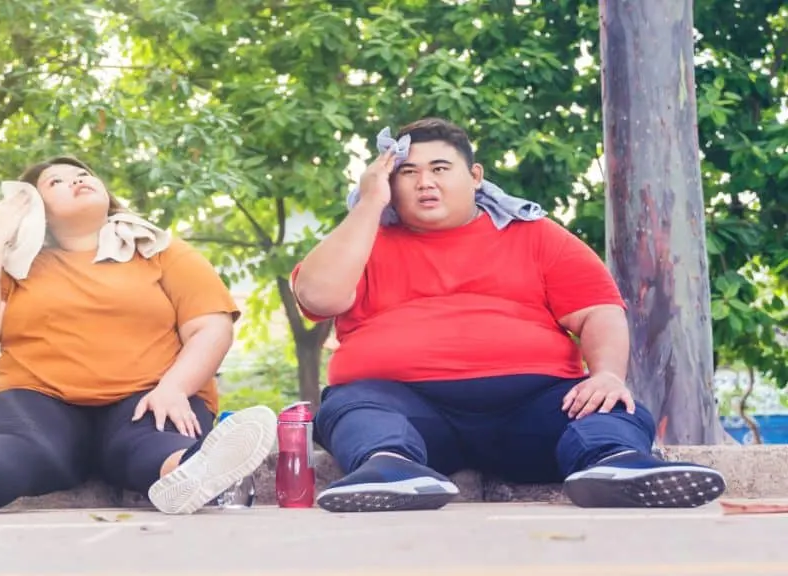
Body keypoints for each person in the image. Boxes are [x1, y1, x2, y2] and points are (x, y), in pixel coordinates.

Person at [291, 118, 727, 513]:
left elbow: (599, 311)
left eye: (440, 169)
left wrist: (608, 374)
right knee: (350, 406)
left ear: (475, 177)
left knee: (609, 404)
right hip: (406, 409)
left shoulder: (537, 235)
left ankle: (615, 466)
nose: (425, 182)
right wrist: (369, 204)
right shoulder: (364, 241)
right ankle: (391, 472)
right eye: (408, 172)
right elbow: (318, 297)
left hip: (531, 407)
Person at [0, 156, 276, 518]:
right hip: (38, 398)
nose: (77, 180)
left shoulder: (161, 249)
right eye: (56, 181)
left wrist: (175, 387)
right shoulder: (16, 266)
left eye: (83, 175)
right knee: (23, 446)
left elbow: (211, 326)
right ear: (35, 209)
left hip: (150, 395)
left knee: (147, 441)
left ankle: (196, 469)